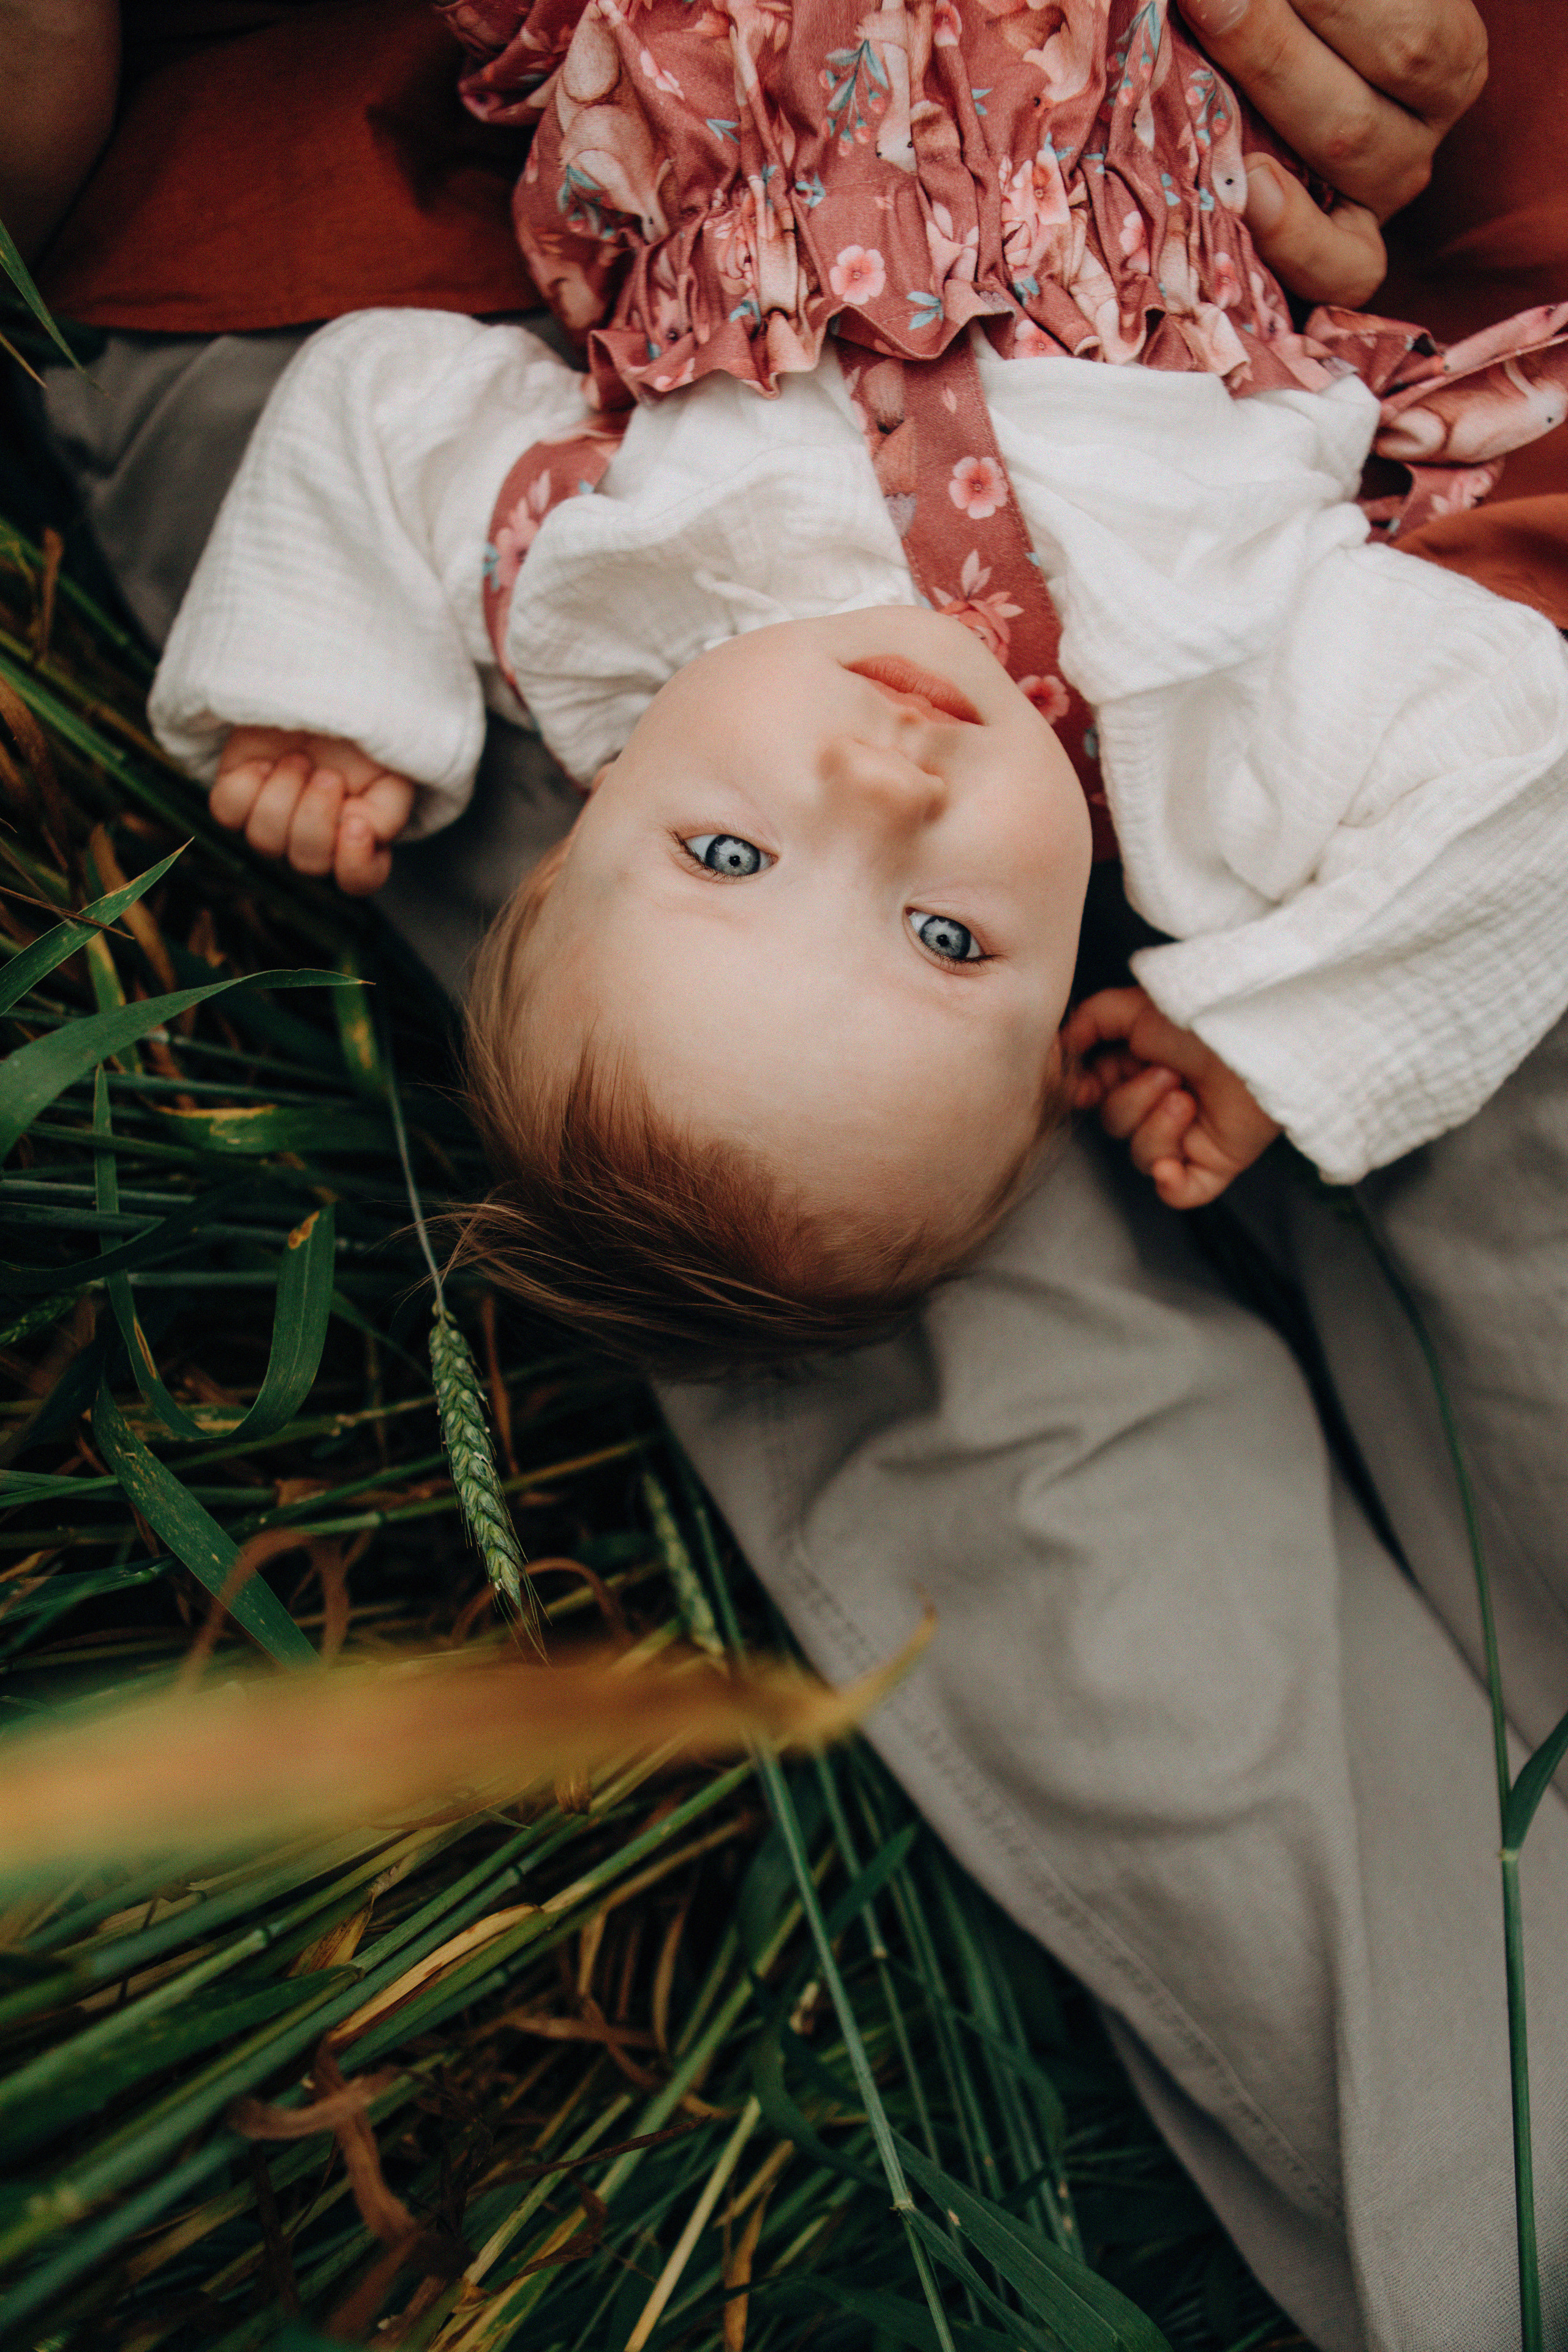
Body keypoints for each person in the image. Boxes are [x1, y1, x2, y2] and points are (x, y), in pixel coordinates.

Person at [18, 3, 1568, 2344]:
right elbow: (390, 479)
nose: (874, 788)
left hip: (1272, 272)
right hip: (427, 215)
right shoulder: (583, 558)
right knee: (920, 1305)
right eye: (926, 913)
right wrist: (341, 678)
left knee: (1507, 1131)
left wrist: (1310, 1016)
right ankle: (1518, 2216)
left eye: (769, 842)